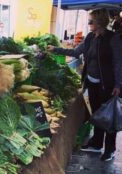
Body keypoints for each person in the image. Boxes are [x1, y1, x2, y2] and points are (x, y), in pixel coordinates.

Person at [49, 9, 122, 161]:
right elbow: (76, 52)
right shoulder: (90, 37)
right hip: (90, 82)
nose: (88, 24)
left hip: (107, 85)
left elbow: (118, 63)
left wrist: (118, 84)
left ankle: (110, 148)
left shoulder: (113, 39)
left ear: (100, 22)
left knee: (107, 117)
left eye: (91, 21)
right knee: (94, 113)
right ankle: (96, 143)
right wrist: (55, 49)